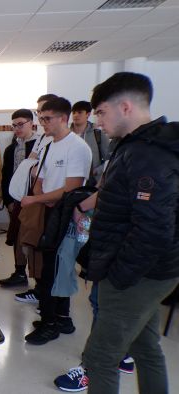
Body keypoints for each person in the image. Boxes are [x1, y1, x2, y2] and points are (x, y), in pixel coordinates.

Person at [77, 72, 179, 393]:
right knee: (145, 347)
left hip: (138, 276)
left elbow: (153, 229)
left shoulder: (146, 154)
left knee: (100, 357)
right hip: (150, 272)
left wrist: (118, 277)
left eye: (101, 112)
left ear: (124, 107)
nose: (97, 121)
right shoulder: (138, 146)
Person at [21, 97, 92, 345]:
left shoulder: (78, 147)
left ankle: (52, 323)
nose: (42, 123)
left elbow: (71, 189)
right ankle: (58, 317)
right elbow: (41, 177)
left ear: (64, 118)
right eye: (40, 118)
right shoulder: (49, 144)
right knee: (48, 266)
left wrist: (35, 200)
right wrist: (40, 197)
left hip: (67, 216)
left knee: (56, 269)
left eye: (47, 118)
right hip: (49, 211)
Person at [12, 93, 58, 304]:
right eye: (39, 112)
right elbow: (30, 166)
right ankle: (38, 289)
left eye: (44, 113)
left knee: (44, 250)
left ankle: (46, 295)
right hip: (34, 199)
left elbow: (52, 176)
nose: (41, 117)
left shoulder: (66, 143)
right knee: (30, 243)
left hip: (49, 203)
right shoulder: (43, 139)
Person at [0, 109, 39, 287]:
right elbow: (6, 176)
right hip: (16, 199)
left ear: (32, 123)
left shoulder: (40, 145)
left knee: (33, 238)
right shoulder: (11, 149)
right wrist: (7, 200)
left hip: (35, 200)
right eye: (14, 125)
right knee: (17, 236)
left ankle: (39, 279)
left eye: (21, 124)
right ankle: (19, 272)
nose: (17, 128)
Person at [70, 100, 110, 186]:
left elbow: (109, 158)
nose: (76, 115)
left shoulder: (98, 134)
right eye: (73, 112)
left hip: (92, 182)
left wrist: (97, 171)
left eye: (80, 112)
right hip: (69, 180)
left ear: (88, 114)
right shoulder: (67, 134)